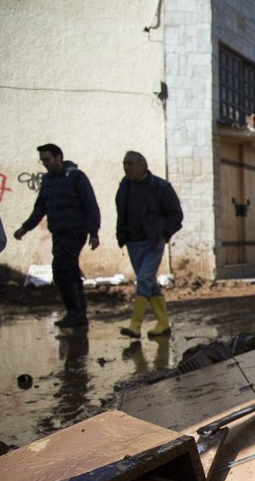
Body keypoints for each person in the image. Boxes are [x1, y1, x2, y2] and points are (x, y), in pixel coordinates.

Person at [14, 144, 100, 328]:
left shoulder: (76, 177)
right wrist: (25, 228)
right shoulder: (47, 180)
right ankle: (79, 313)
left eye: (47, 159)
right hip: (59, 233)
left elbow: (90, 204)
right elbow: (40, 208)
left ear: (58, 157)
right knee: (70, 270)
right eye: (42, 160)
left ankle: (75, 313)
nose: (45, 163)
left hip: (75, 231)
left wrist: (94, 232)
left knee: (61, 269)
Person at [115, 150, 183, 338]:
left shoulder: (160, 186)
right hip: (133, 242)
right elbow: (121, 211)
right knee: (149, 282)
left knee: (144, 279)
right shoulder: (124, 186)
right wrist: (122, 235)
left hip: (153, 242)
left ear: (142, 166)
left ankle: (135, 325)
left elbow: (176, 215)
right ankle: (163, 323)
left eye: (130, 164)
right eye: (124, 164)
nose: (126, 168)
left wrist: (163, 235)